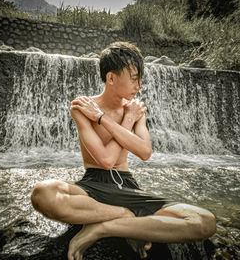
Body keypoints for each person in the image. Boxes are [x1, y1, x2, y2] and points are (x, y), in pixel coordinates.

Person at [30, 42, 216, 260]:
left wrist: (106, 119)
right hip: (92, 188)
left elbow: (145, 152)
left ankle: (103, 228)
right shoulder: (83, 107)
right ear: (111, 78)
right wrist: (125, 119)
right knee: (43, 193)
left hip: (128, 187)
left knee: (204, 222)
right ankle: (124, 216)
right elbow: (106, 160)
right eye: (134, 78)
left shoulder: (136, 110)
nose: (138, 86)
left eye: (140, 79)